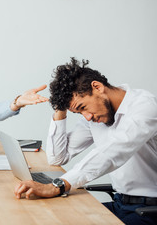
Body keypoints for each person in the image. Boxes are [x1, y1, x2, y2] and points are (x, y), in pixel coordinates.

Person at [14, 57, 157, 224]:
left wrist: (58, 185)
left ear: (97, 87)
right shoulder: (95, 116)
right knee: (53, 217)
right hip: (121, 204)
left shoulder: (145, 107)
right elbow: (57, 157)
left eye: (82, 107)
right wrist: (61, 109)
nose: (87, 117)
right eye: (78, 113)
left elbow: (113, 152)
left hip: (150, 211)